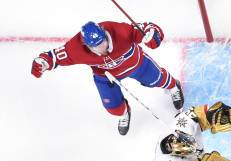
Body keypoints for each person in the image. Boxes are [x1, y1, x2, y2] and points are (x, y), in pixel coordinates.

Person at [30, 21, 184, 135]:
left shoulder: (120, 31)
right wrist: (43, 62)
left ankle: (173, 87)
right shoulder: (76, 48)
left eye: (102, 42)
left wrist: (153, 36)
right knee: (113, 108)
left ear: (104, 34)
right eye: (95, 47)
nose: (101, 48)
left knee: (159, 79)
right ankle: (124, 113)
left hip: (135, 64)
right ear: (86, 44)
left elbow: (148, 29)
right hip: (106, 76)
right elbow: (54, 56)